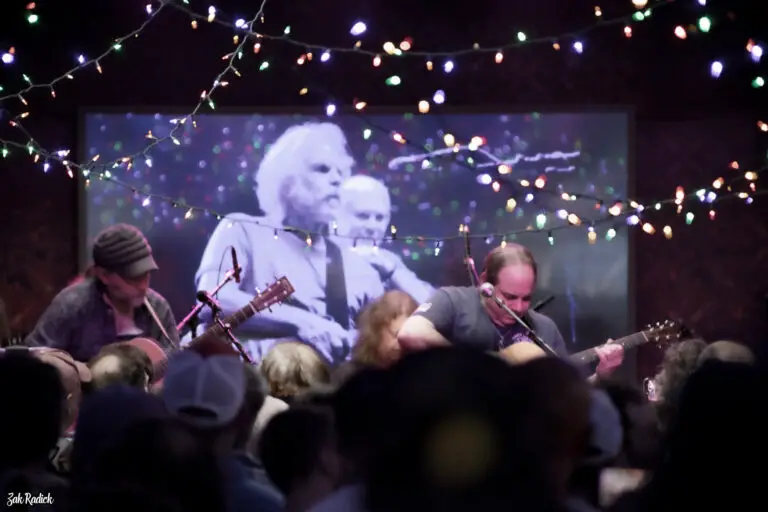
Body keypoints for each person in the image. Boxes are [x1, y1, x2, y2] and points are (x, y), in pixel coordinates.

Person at [195, 122, 383, 363]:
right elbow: (211, 303)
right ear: (287, 179)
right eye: (323, 169)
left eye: (341, 171)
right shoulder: (243, 229)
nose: (337, 179)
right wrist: (303, 323)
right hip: (248, 381)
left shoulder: (360, 269)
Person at [397, 243, 624, 380]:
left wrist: (601, 374)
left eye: (526, 298)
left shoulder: (544, 328)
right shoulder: (454, 301)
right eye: (509, 297)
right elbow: (411, 333)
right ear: (485, 282)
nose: (518, 307)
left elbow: (565, 394)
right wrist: (479, 364)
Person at [25, 224, 179, 362]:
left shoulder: (158, 308)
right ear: (104, 275)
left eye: (146, 275)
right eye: (133, 279)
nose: (143, 286)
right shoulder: (71, 305)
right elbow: (33, 360)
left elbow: (175, 367)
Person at [335, 175, 435, 303]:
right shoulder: (319, 259)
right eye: (362, 216)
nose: (372, 226)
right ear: (337, 215)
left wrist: (392, 272)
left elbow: (434, 306)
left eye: (379, 218)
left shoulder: (388, 260)